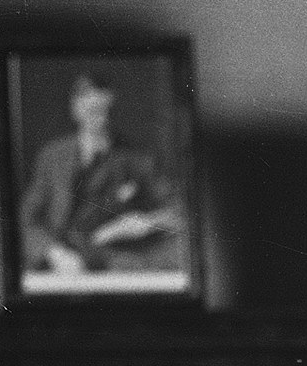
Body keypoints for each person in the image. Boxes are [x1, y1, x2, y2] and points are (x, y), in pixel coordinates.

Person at [19, 69, 185, 281]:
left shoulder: (137, 158)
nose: (101, 120)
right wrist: (54, 253)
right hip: (58, 263)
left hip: (112, 261)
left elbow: (179, 209)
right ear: (75, 110)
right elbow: (25, 219)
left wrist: (145, 221)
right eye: (92, 111)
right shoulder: (52, 156)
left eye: (107, 111)